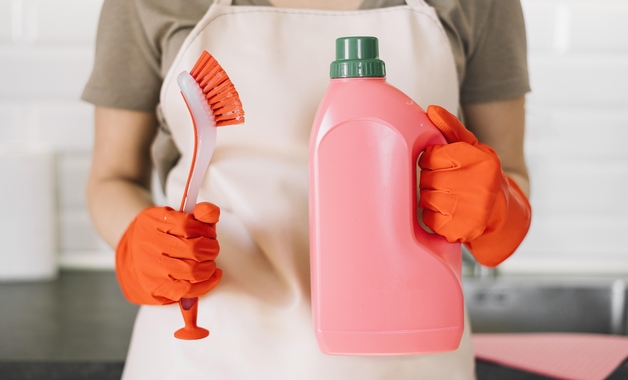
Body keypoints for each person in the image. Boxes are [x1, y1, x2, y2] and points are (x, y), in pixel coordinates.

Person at [82, 0, 532, 378]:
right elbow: (112, 177)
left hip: (409, 353)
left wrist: (497, 209)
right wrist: (139, 243)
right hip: (210, 348)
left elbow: (510, 171)